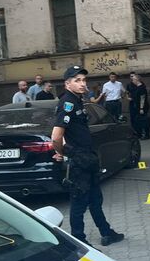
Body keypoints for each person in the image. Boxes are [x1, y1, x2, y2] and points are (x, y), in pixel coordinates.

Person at [50, 66, 124, 247]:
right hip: (79, 161)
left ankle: (106, 233)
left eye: (84, 80)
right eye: (77, 80)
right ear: (67, 84)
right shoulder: (67, 103)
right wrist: (63, 152)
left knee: (95, 199)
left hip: (88, 159)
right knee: (79, 203)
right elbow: (56, 136)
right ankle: (79, 241)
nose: (82, 84)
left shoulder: (77, 101)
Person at [131, 74, 150, 139]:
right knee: (138, 121)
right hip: (137, 107)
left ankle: (146, 135)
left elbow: (143, 98)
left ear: (137, 80)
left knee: (144, 121)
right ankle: (139, 134)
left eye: (133, 79)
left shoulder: (142, 88)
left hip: (142, 107)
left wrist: (141, 108)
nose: (132, 81)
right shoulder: (137, 87)